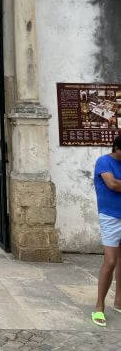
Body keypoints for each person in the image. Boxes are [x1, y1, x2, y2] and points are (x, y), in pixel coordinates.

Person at [92, 135, 121, 326]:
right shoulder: (104, 162)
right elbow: (112, 184)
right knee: (110, 261)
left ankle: (119, 301)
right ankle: (99, 306)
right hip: (111, 216)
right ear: (117, 147)